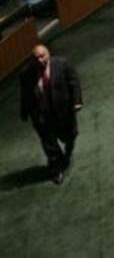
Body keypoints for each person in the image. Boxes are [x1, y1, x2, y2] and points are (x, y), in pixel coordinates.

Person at [19, 44, 82, 184]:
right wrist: (24, 112)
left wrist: (77, 101)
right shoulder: (26, 74)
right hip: (41, 115)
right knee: (49, 143)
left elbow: (74, 83)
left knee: (70, 136)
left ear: (48, 54)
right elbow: (25, 95)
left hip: (62, 110)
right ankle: (56, 168)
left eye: (42, 56)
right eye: (36, 58)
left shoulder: (62, 64)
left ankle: (67, 151)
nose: (39, 60)